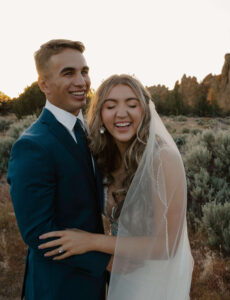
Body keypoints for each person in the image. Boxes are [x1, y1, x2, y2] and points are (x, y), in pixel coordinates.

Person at [39, 74, 194, 300]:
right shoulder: (101, 160)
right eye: (110, 106)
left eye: (132, 104)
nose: (122, 113)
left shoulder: (163, 160)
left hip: (156, 280)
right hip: (119, 274)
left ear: (145, 111)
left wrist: (91, 242)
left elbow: (166, 247)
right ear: (101, 114)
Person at [7, 39, 111, 300]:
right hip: (57, 287)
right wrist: (106, 262)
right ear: (44, 84)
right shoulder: (32, 146)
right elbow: (39, 234)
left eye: (84, 72)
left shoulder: (88, 131)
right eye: (68, 73)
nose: (81, 81)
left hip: (93, 286)